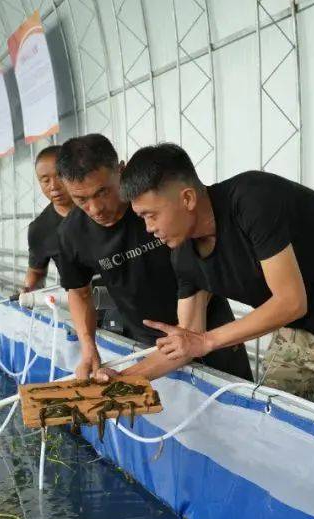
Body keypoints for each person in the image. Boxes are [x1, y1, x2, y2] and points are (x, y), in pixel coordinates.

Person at [117, 143, 314, 425]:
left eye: (151, 215)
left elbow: (290, 302)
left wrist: (206, 341)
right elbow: (187, 340)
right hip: (297, 327)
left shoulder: (252, 200)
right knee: (270, 421)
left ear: (187, 198)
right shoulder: (183, 257)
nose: (149, 229)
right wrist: (123, 380)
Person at [54, 134, 253, 382]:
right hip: (149, 344)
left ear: (121, 171)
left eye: (103, 192)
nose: (95, 209)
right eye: (81, 199)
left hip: (211, 329)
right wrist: (88, 346)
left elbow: (207, 247)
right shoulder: (71, 234)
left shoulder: (165, 203)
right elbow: (79, 291)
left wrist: (194, 332)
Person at [22, 145, 72, 293]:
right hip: (85, 305)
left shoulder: (98, 208)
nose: (54, 186)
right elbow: (36, 272)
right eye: (45, 180)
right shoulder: (40, 229)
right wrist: (29, 289)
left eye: (60, 176)